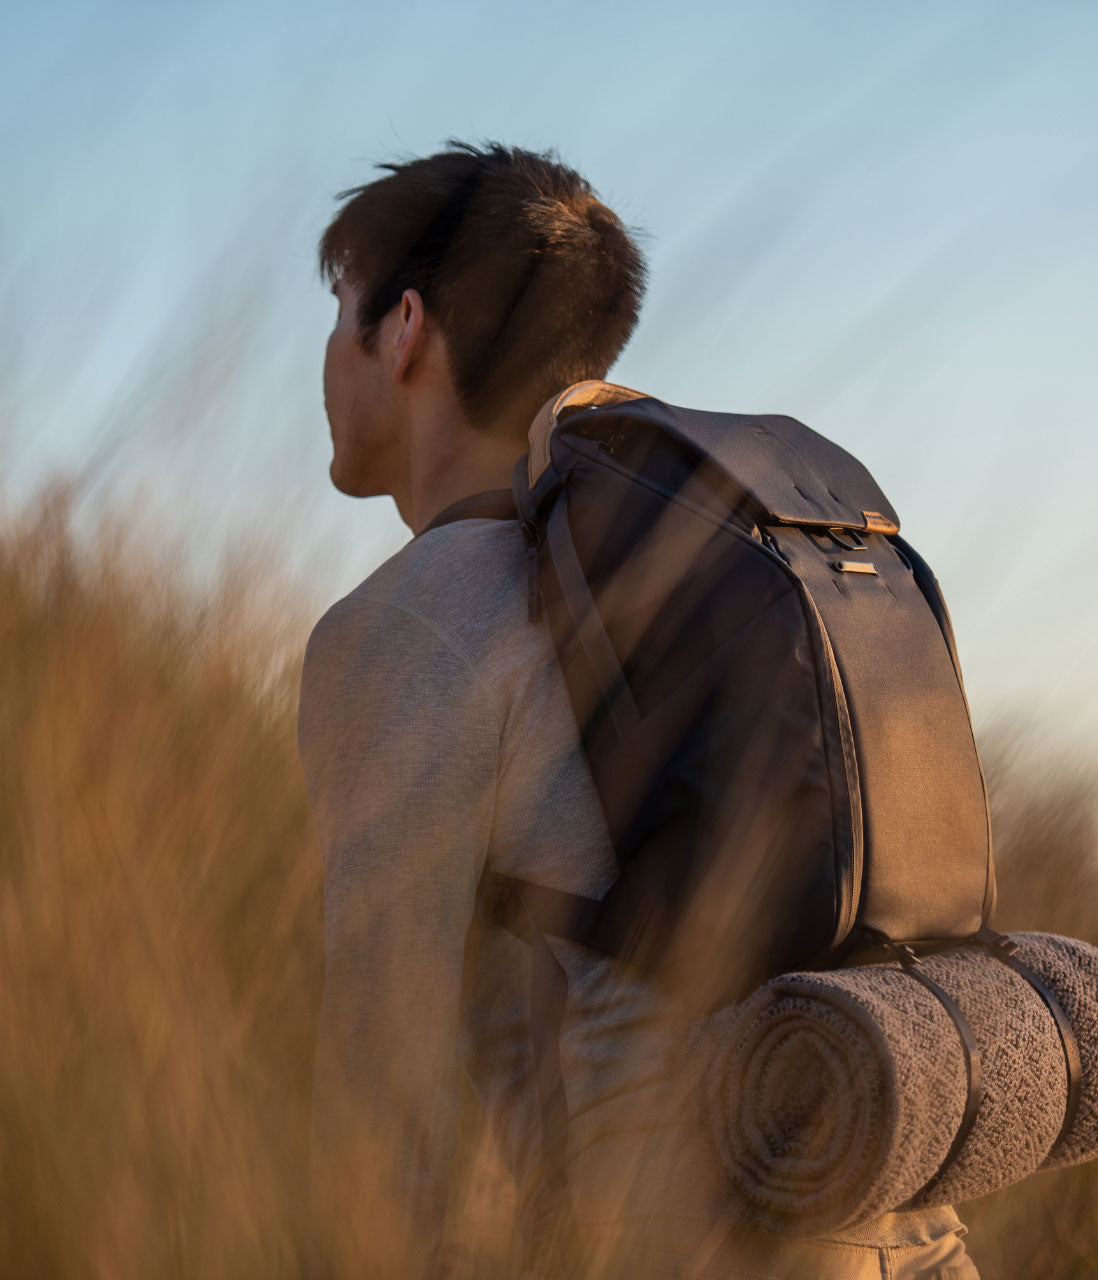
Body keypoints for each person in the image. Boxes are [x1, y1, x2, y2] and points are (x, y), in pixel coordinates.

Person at [298, 139, 980, 1278]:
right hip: (911, 1228)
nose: (328, 357)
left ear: (404, 328)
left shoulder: (400, 626)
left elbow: (385, 1088)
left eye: (340, 314)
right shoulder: (696, 565)